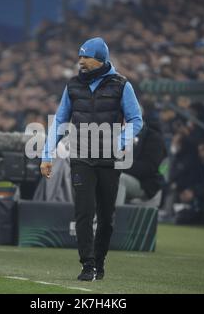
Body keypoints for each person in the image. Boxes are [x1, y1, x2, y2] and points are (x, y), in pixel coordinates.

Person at [40, 37, 143, 281]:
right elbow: (60, 122)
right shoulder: (73, 85)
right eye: (80, 57)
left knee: (106, 218)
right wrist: (47, 155)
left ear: (101, 59)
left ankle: (100, 260)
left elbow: (136, 120)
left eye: (86, 57)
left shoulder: (121, 85)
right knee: (84, 212)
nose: (81, 61)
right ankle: (87, 264)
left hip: (109, 160)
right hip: (81, 156)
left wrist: (118, 143)